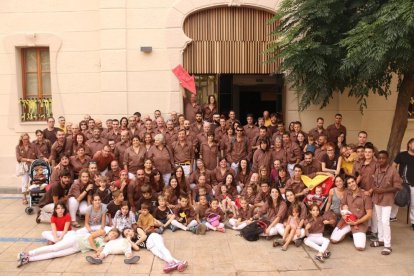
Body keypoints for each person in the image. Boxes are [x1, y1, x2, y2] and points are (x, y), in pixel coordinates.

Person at [17, 228, 120, 267]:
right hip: (75, 240)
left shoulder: (105, 244)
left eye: (115, 236)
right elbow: (90, 238)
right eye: (113, 233)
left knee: (55, 254)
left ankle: (28, 259)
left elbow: (99, 252)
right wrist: (95, 249)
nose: (112, 236)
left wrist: (98, 254)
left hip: (77, 248)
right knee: (54, 248)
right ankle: (28, 253)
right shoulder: (102, 232)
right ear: (110, 232)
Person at [371, 151, 402, 255]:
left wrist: (383, 190)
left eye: (383, 158)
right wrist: (374, 189)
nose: (381, 160)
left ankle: (387, 245)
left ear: (387, 158)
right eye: (379, 158)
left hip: (387, 199)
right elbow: (375, 182)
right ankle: (381, 240)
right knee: (379, 220)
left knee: (385, 221)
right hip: (377, 198)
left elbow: (398, 187)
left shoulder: (393, 171)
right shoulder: (377, 169)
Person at [330, 176, 373, 251]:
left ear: (356, 182)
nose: (351, 184)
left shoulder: (365, 195)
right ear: (347, 185)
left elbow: (369, 214)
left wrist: (357, 222)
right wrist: (342, 213)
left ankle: (354, 232)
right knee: (333, 240)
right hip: (346, 221)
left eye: (352, 182)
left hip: (358, 223)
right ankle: (348, 232)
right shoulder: (347, 192)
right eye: (349, 183)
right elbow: (342, 205)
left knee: (360, 247)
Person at [122, 227, 188, 273]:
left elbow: (144, 236)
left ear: (131, 230)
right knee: (160, 255)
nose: (129, 233)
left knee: (161, 248)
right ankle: (180, 263)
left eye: (128, 231)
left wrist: (135, 243)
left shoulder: (137, 229)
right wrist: (130, 241)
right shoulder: (132, 241)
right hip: (149, 247)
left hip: (152, 237)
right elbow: (137, 248)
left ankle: (171, 262)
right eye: (126, 234)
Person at [393, 137, 414, 228]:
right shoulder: (401, 155)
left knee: (413, 204)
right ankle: (391, 216)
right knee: (396, 200)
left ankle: (413, 222)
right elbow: (393, 167)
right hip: (402, 183)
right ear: (409, 144)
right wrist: (396, 178)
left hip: (413, 184)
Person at [16, 133, 37, 204]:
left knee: (33, 182)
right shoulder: (18, 147)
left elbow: (38, 154)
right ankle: (24, 197)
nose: (26, 140)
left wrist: (43, 158)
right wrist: (28, 160)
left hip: (33, 166)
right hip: (24, 167)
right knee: (24, 182)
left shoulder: (33, 146)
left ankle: (32, 196)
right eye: (24, 139)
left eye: (27, 139)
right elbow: (18, 158)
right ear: (21, 139)